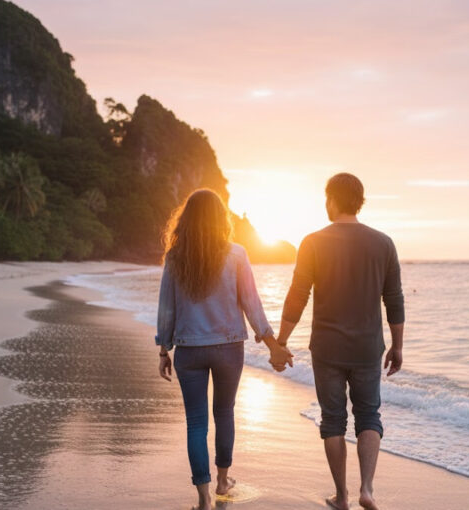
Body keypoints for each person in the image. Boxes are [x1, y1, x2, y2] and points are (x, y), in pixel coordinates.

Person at [273, 173, 405, 510]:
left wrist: (281, 342)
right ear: (359, 201)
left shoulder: (313, 242)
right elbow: (394, 299)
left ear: (332, 199)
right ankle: (368, 490)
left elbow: (297, 296)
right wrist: (397, 345)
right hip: (367, 348)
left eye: (326, 197)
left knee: (333, 419)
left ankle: (343, 497)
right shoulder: (383, 243)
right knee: (369, 415)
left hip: (328, 348)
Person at [155, 189, 293, 510]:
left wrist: (164, 349)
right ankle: (222, 480)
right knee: (224, 412)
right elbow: (252, 304)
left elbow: (166, 310)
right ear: (222, 219)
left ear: (186, 219)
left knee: (196, 423)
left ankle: (203, 497)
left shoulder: (175, 257)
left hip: (189, 350)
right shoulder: (236, 254)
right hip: (229, 347)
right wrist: (272, 343)